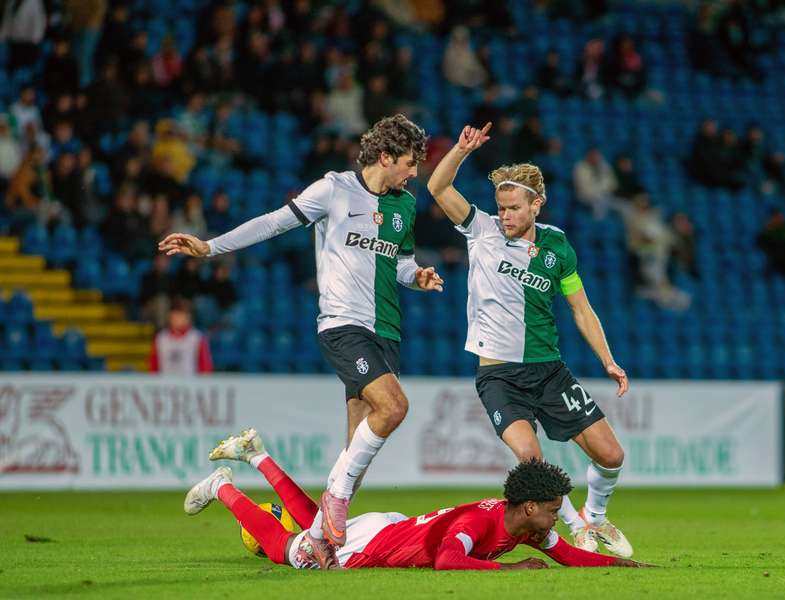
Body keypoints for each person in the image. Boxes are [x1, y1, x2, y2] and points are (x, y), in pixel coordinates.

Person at [158, 114, 442, 569]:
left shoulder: (404, 205)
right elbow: (273, 223)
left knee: (355, 454)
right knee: (394, 407)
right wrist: (210, 247)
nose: (414, 173)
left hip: (387, 331)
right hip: (344, 325)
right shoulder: (333, 189)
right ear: (386, 156)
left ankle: (315, 540)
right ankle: (327, 512)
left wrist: (418, 276)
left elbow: (402, 263)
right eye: (410, 163)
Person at [426, 123, 633, 558]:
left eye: (514, 208)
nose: (505, 216)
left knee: (611, 455)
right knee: (532, 462)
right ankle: (577, 528)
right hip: (499, 376)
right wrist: (461, 151)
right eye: (501, 208)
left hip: (549, 372)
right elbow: (437, 186)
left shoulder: (558, 246)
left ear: (537, 205)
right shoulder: (481, 230)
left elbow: (581, 307)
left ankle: (595, 518)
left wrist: (608, 360)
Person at [184, 429, 650, 570]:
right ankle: (222, 486)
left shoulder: (521, 524)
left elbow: (567, 555)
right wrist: (511, 570)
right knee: (286, 549)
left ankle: (258, 455)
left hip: (389, 528)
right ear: (530, 507)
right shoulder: (480, 524)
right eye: (553, 510)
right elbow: (448, 560)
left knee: (313, 526)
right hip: (374, 543)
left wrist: (625, 566)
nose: (555, 519)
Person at [148, 301, 214, 374]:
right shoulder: (161, 338)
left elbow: (205, 367)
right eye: (176, 316)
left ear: (188, 317)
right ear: (169, 317)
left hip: (190, 380)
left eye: (182, 316)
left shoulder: (196, 338)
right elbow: (153, 365)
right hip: (166, 380)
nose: (178, 319)